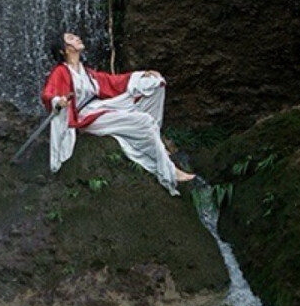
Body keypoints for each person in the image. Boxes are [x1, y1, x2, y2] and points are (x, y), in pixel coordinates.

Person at [41, 30, 195, 195]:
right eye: (71, 38)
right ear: (64, 50)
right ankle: (169, 171)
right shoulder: (60, 71)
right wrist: (58, 101)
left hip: (99, 106)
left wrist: (141, 74)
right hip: (85, 117)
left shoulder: (85, 71)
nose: (77, 38)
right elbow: (47, 94)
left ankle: (155, 140)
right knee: (143, 121)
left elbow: (111, 82)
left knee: (154, 84)